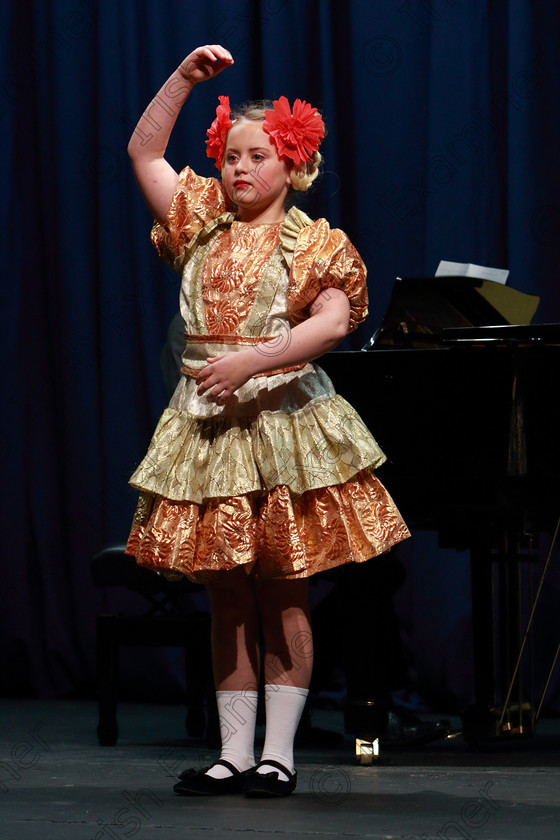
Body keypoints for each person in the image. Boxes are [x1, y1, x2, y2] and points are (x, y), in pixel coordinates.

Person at [125, 44, 410, 797]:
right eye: (230, 156)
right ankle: (232, 752)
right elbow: (144, 151)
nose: (239, 169)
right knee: (226, 590)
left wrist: (252, 363)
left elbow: (334, 320)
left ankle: (279, 752)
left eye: (257, 157)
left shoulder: (317, 242)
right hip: (210, 426)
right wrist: (185, 80)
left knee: (283, 587)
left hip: (282, 421)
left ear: (292, 163)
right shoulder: (200, 223)